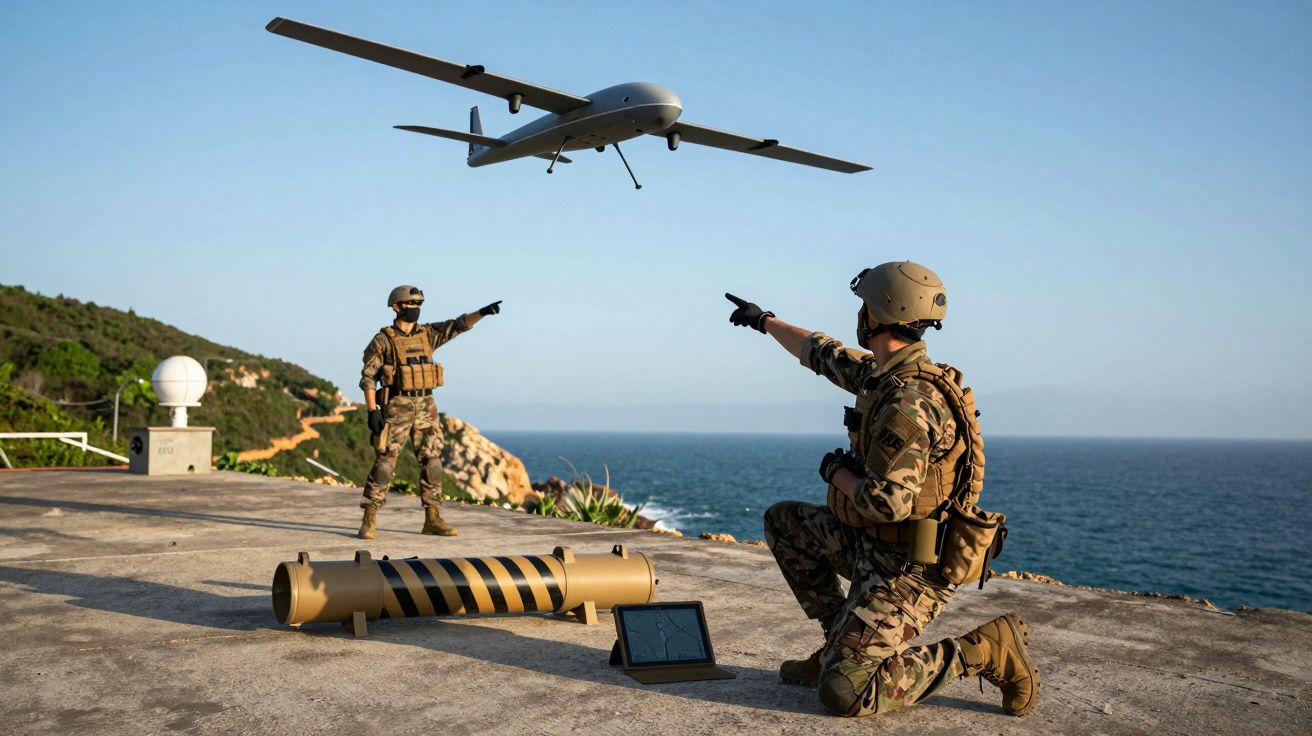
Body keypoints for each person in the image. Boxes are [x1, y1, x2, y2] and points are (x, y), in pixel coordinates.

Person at [725, 261, 1039, 718]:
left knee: (846, 694)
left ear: (877, 314)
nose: (858, 314)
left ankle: (985, 650)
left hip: (910, 569)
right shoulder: (885, 373)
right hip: (871, 546)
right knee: (784, 522)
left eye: (862, 306)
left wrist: (835, 471)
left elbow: (887, 502)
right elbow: (821, 352)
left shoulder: (908, 403)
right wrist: (763, 320)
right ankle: (840, 647)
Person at [356, 284, 501, 540]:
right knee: (385, 465)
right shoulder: (383, 340)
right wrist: (373, 411)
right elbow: (368, 378)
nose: (416, 309)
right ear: (396, 307)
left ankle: (432, 517)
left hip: (425, 406)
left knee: (432, 462)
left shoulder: (428, 335)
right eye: (411, 304)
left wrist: (482, 313)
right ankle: (370, 516)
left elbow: (457, 326)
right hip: (396, 408)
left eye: (419, 305)